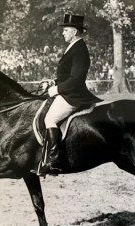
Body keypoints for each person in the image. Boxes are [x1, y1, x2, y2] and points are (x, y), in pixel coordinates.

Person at [37, 14, 103, 176]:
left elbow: (76, 79)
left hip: (74, 95)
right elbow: (67, 74)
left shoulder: (80, 49)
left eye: (65, 30)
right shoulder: (73, 46)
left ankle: (54, 162)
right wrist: (54, 82)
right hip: (68, 92)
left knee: (50, 119)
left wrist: (58, 89)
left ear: (74, 31)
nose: (63, 33)